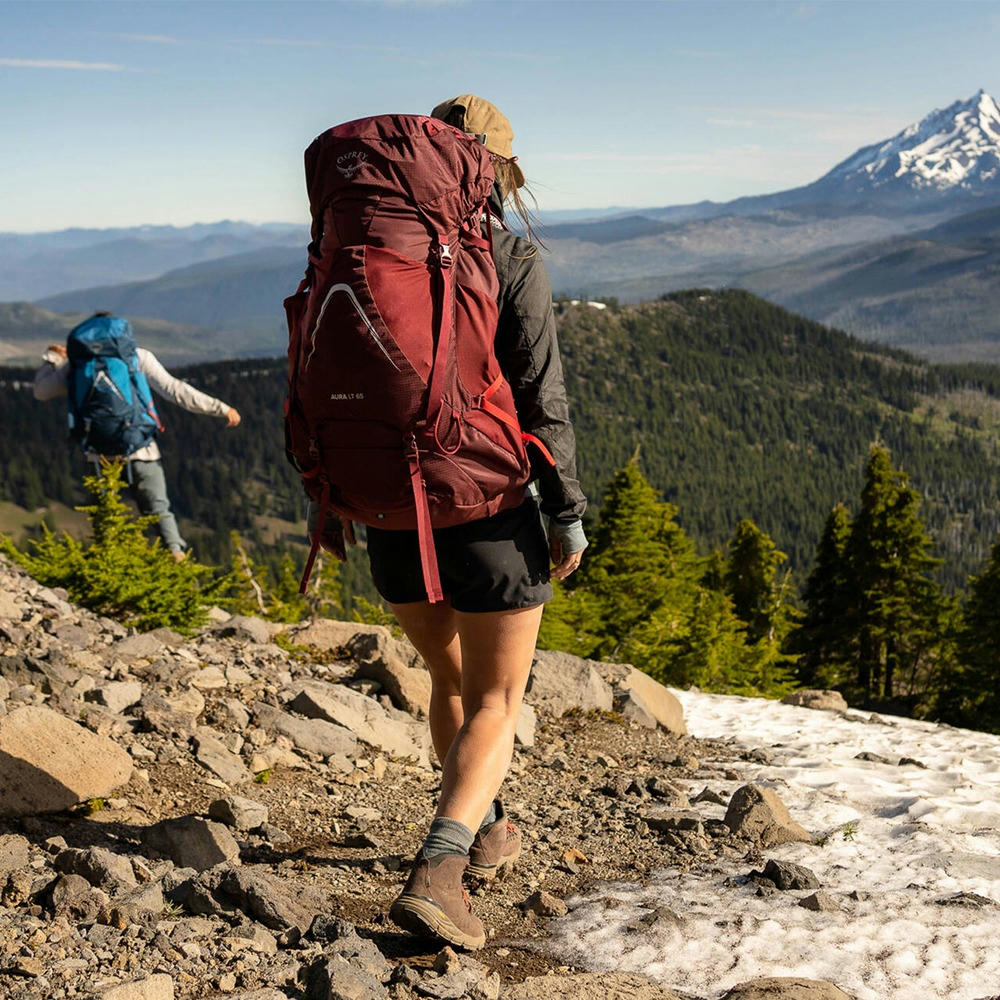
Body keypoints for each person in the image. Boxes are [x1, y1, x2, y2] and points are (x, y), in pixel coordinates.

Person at [313, 96, 588, 950]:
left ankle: (487, 823)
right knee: (499, 697)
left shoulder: (352, 250)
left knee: (450, 680)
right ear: (498, 170)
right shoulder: (506, 254)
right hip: (486, 509)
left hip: (392, 503)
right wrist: (569, 511)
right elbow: (543, 397)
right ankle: (440, 870)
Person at [33, 319, 241, 560]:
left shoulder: (77, 364)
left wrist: (52, 358)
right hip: (142, 450)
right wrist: (221, 408)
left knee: (105, 522)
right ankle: (180, 573)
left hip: (98, 454)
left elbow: (41, 392)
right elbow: (176, 391)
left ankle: (111, 579)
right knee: (160, 515)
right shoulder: (137, 356)